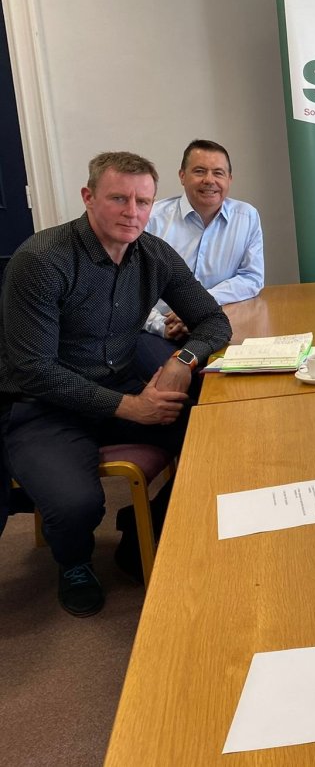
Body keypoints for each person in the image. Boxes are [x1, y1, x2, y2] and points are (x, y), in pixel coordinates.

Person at [0, 152, 232, 617]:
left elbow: (213, 321)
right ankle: (74, 564)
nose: (132, 212)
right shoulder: (42, 260)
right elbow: (34, 369)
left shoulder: (153, 254)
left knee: (221, 439)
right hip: (44, 406)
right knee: (77, 505)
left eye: (143, 202)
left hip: (123, 388)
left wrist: (183, 360)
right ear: (88, 197)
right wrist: (130, 407)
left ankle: (141, 535)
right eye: (118, 199)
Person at [137, 139, 263, 373]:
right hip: (161, 330)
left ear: (229, 179)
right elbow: (130, 291)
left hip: (218, 321)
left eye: (218, 173)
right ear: (182, 176)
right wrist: (160, 325)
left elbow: (251, 278)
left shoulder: (246, 217)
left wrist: (198, 306)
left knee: (247, 372)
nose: (209, 180)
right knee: (177, 379)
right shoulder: (151, 219)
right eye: (199, 171)